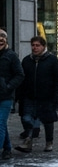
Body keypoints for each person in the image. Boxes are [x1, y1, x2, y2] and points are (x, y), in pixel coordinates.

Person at [15, 36, 58, 153]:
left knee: (47, 120)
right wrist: (19, 95)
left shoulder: (52, 60)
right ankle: (28, 141)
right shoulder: (27, 60)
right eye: (33, 45)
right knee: (26, 118)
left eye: (37, 45)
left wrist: (57, 96)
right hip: (29, 96)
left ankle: (49, 142)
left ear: (43, 46)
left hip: (46, 96)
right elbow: (22, 78)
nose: (35, 48)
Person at [0, 29, 24, 159]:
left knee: (0, 124)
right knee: (1, 124)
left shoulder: (11, 56)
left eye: (2, 39)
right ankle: (7, 148)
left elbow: (20, 75)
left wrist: (8, 87)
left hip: (5, 97)